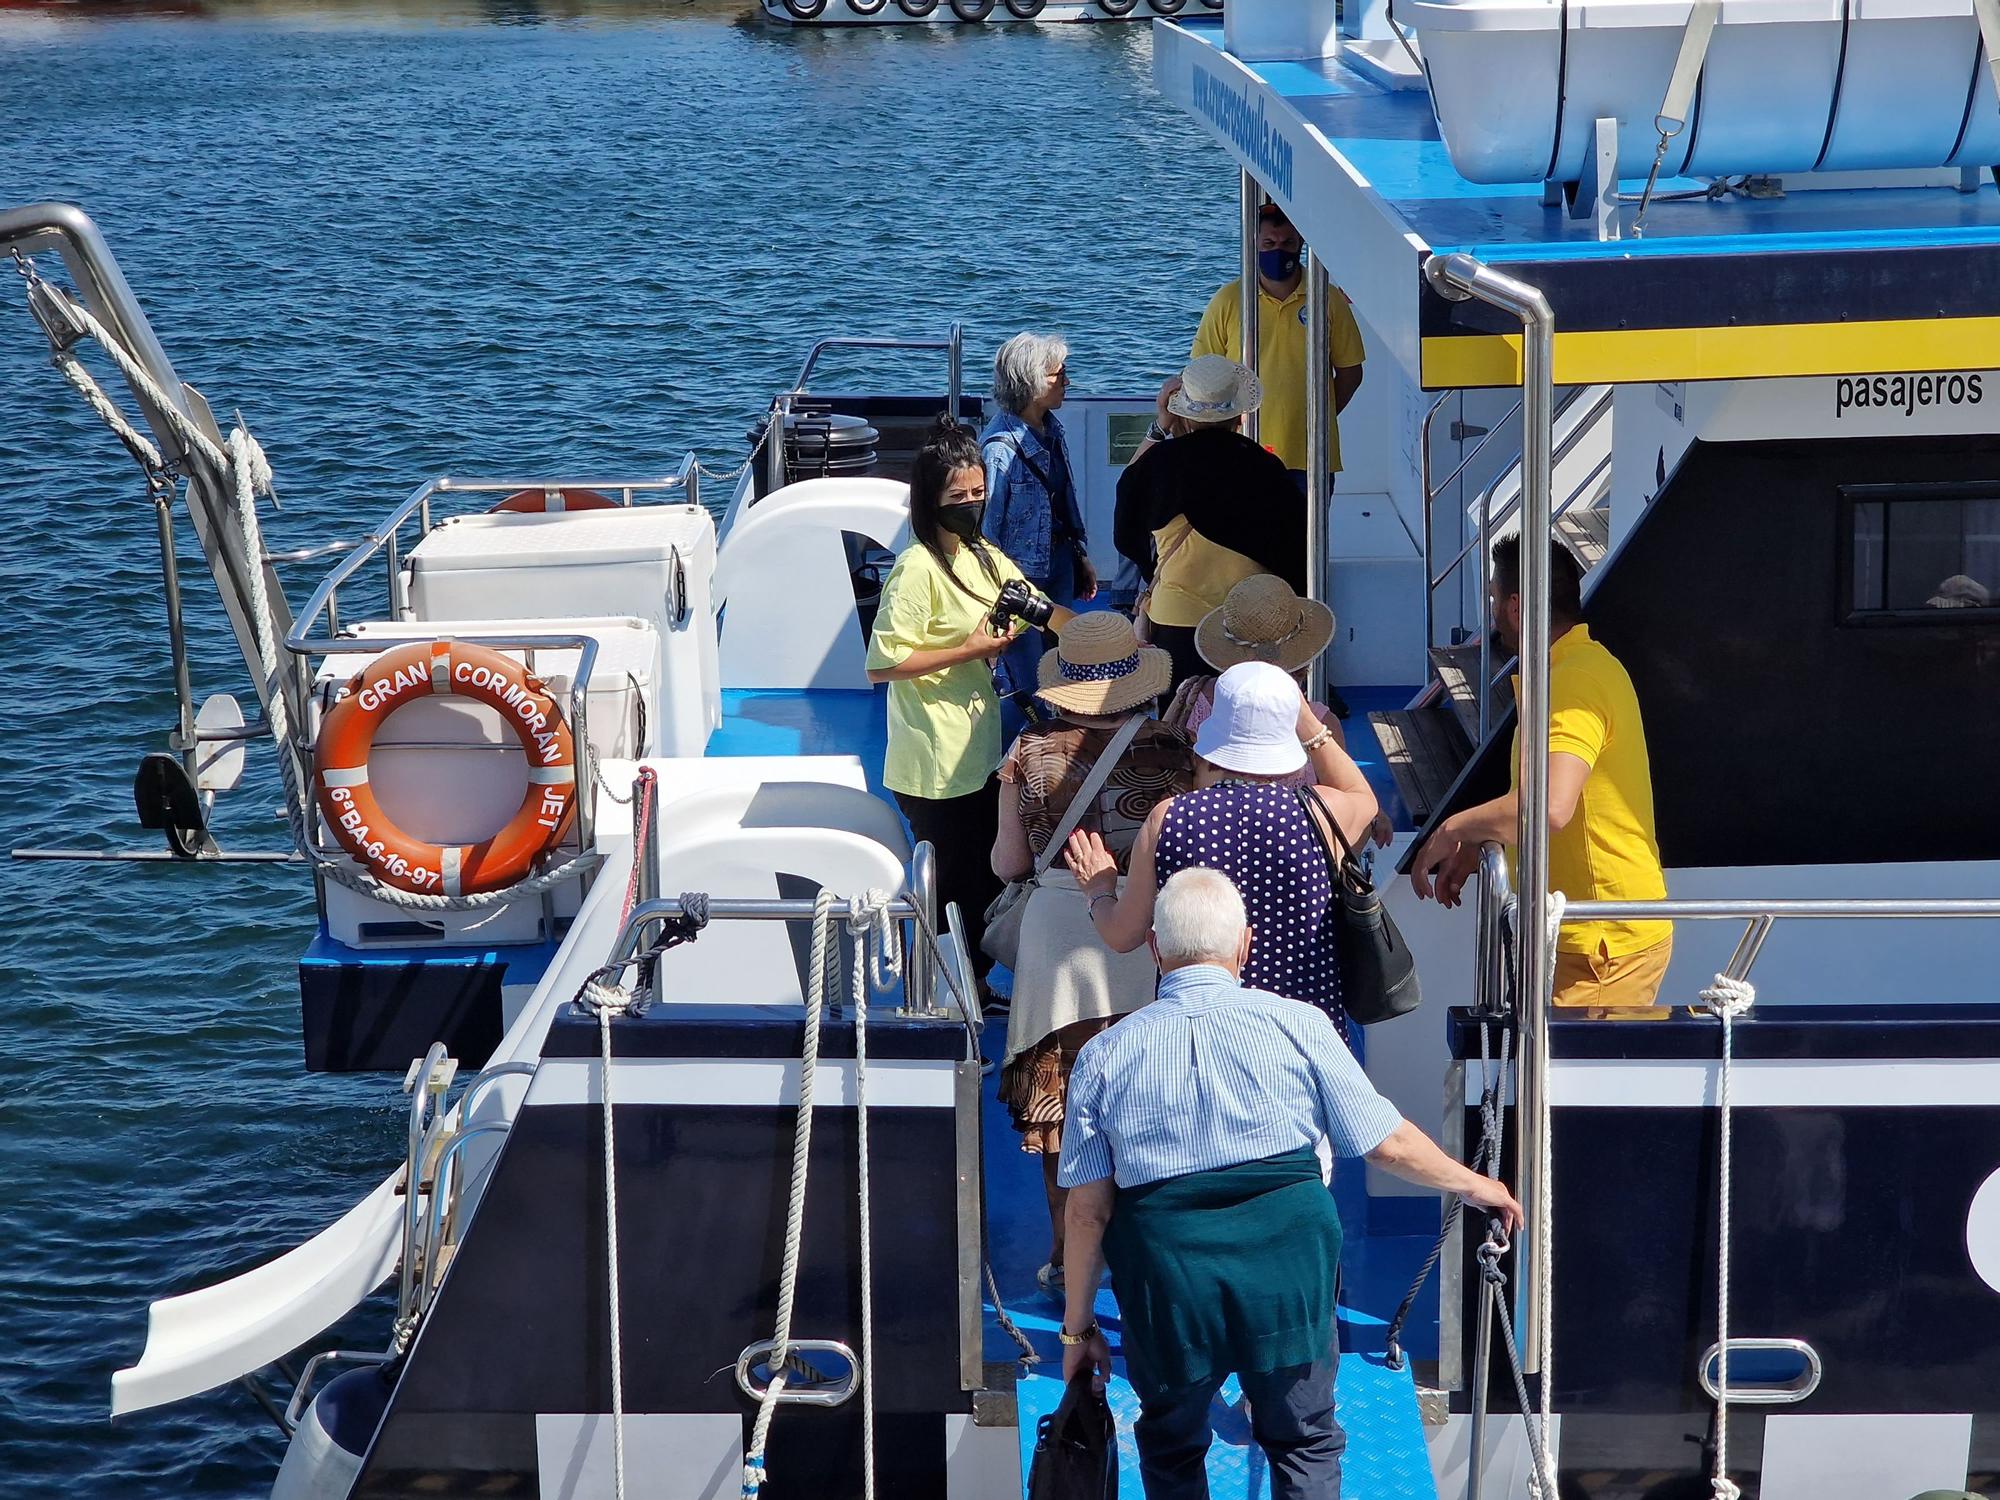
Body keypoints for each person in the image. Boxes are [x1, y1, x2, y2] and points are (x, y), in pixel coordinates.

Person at [1057, 867, 1523, 1500]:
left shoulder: (1105, 1054)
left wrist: (1078, 1330)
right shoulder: (1300, 1025)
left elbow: (1087, 1213)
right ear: (1245, 945)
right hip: (1288, 1276)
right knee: (1303, 1442)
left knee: (1171, 1446)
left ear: (1155, 949)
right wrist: (1477, 1186)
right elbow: (1385, 1142)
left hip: (1170, 1288)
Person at [990, 612, 1191, 1294]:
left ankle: (1064, 1254)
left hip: (1056, 944)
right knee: (1149, 1102)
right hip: (1143, 933)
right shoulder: (1174, 750)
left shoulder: (1028, 751)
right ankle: (1144, 1252)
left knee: (1057, 1109)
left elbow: (1008, 861)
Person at [1408, 537, 1672, 1018]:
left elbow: (1549, 805)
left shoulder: (1574, 681)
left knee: (1570, 1094)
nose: (1490, 611)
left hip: (1598, 946)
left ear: (1515, 606)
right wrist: (1482, 845)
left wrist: (1453, 830)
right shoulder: (1576, 669)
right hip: (1593, 939)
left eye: (1492, 598)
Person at [866, 415, 1075, 987]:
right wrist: (969, 649)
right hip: (933, 764)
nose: (972, 505)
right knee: (951, 889)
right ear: (930, 501)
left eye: (979, 494)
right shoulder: (915, 571)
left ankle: (974, 988)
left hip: (979, 753)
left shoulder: (980, 553)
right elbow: (882, 664)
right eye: (958, 497)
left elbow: (1041, 607)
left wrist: (1095, 637)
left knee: (985, 882)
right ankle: (934, 996)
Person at [1065, 661, 1378, 1039]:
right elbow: (1364, 798)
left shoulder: (1169, 818)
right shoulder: (1320, 812)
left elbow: (1123, 934)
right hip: (1306, 1031)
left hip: (1201, 1033)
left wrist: (1098, 888)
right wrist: (1309, 725)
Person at [1114, 355, 1308, 688]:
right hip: (1250, 619)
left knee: (1179, 720)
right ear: (1239, 415)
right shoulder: (1266, 468)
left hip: (1175, 618)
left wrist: (1161, 426)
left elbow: (1127, 506)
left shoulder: (1161, 465)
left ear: (1183, 414)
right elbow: (1295, 553)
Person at [1161, 573, 1393, 847]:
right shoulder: (1319, 721)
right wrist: (1375, 814)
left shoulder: (1193, 699)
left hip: (1207, 852)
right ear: (1302, 657)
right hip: (1295, 856)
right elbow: (1352, 802)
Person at [1189, 198, 1366, 485]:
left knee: (1305, 531)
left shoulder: (1328, 298)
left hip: (1311, 454)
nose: (1279, 249)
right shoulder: (1228, 300)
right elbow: (1202, 373)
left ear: (1301, 243)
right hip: (1241, 451)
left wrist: (1319, 414)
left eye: (1287, 242)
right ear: (1254, 244)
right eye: (1269, 243)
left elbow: (1350, 372)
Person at [981, 332, 1098, 715]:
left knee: (1064, 663)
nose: (1066, 380)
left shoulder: (1053, 430)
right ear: (1032, 384)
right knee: (1029, 678)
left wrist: (1079, 556)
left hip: (1059, 564)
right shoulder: (998, 451)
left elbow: (1062, 502)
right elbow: (986, 533)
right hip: (1019, 579)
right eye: (1057, 374)